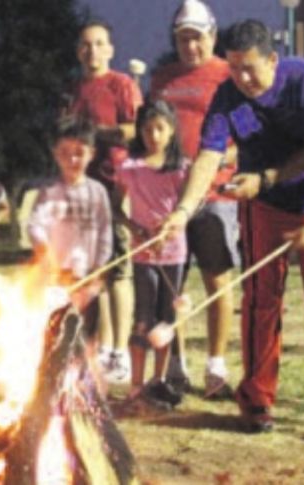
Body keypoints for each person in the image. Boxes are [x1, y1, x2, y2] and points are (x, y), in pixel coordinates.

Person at [159, 19, 304, 432]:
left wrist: (267, 177)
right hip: (263, 207)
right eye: (233, 67)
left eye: (249, 67)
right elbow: (209, 157)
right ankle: (256, 401)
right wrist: (181, 213)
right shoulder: (228, 97)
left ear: (272, 59)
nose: (242, 78)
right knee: (260, 301)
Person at [149, 0, 238, 397]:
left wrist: (221, 161)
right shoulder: (162, 79)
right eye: (183, 39)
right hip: (170, 197)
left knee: (217, 279)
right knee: (173, 285)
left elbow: (246, 131)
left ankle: (216, 365)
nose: (191, 47)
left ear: (212, 37)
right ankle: (175, 366)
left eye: (198, 39)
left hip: (216, 193)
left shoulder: (227, 75)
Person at [65, 20, 143, 384]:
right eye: (85, 45)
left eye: (99, 44)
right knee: (91, 273)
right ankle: (95, 347)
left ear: (110, 49)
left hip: (115, 186)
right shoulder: (73, 90)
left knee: (118, 271)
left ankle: (120, 352)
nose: (92, 51)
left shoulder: (121, 85)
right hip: (82, 189)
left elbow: (135, 130)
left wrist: (93, 134)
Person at [114, 101, 189, 409]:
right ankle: (135, 384)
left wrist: (171, 227)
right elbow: (116, 207)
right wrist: (136, 229)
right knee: (143, 318)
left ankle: (157, 382)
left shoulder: (183, 169)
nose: (153, 135)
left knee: (166, 319)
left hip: (174, 253)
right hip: (143, 253)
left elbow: (188, 205)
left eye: (160, 128)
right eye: (147, 129)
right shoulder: (130, 168)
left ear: (171, 131)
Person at [27, 117, 112, 331]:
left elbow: (105, 232)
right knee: (55, 330)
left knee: (86, 331)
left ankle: (85, 364)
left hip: (87, 274)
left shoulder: (97, 192)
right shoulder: (49, 192)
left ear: (91, 154)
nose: (72, 159)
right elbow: (35, 225)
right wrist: (44, 251)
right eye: (65, 153)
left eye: (79, 153)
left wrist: (99, 267)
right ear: (55, 154)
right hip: (56, 276)